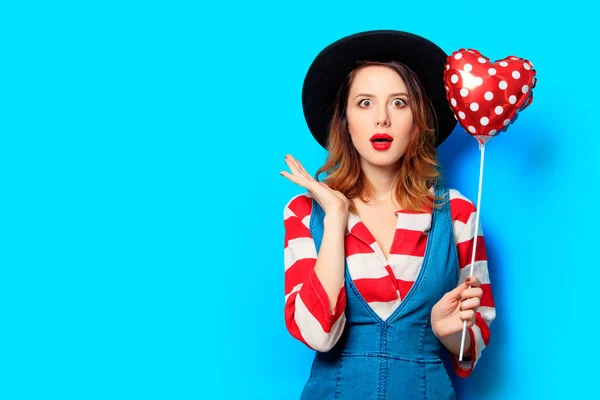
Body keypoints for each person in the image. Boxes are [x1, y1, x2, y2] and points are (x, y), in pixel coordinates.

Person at [281, 30, 495, 399]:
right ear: (345, 119)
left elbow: (468, 351)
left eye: (399, 103)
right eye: (364, 103)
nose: (382, 119)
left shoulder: (458, 213)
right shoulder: (305, 214)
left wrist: (449, 331)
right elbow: (319, 335)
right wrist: (335, 216)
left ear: (418, 119)